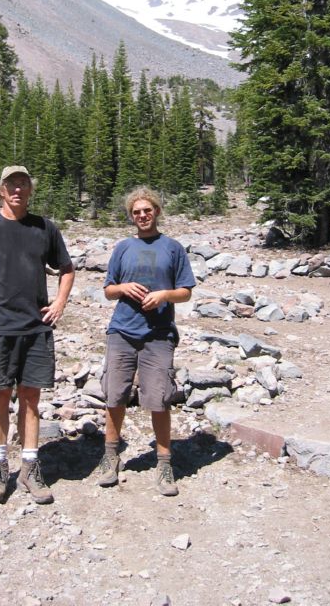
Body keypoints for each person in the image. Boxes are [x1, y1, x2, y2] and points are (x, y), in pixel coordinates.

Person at [0, 165, 75, 505]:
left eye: (24, 184)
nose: (18, 190)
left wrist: (59, 303)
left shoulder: (44, 228)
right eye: (12, 185)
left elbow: (66, 269)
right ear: (1, 190)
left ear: (30, 190)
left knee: (31, 398)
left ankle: (29, 465)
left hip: (35, 328)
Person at [98, 186, 195, 496]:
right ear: (131, 216)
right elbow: (108, 289)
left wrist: (164, 295)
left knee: (159, 398)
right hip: (122, 331)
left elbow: (186, 291)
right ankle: (110, 456)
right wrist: (124, 288)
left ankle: (164, 461)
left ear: (157, 211)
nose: (142, 215)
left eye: (147, 210)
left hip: (159, 334)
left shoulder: (173, 248)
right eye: (136, 211)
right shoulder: (123, 248)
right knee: (115, 394)